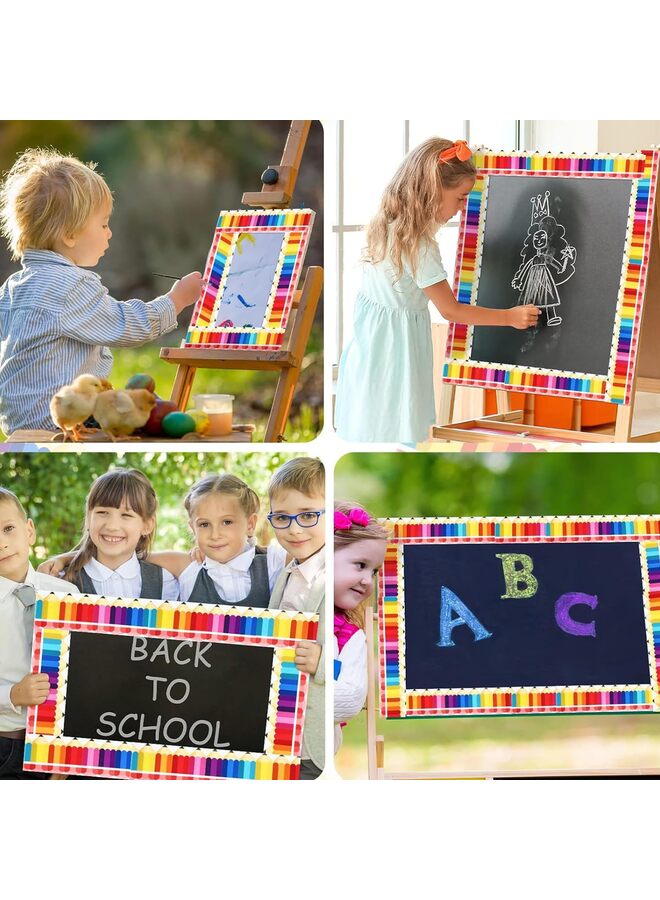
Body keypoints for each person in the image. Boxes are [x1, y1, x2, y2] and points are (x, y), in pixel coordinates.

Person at [335, 137, 541, 443]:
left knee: (373, 429)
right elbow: (451, 310)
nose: (463, 207)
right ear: (432, 190)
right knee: (399, 428)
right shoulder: (420, 247)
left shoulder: (388, 224)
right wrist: (509, 317)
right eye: (460, 197)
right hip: (396, 355)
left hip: (368, 350)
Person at [0, 148, 202, 435]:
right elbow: (127, 325)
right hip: (65, 419)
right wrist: (176, 300)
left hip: (17, 422)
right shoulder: (71, 285)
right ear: (69, 234)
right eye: (104, 224)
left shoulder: (13, 287)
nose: (109, 233)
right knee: (142, 410)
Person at [0, 487, 80, 779]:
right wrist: (12, 694)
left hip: (56, 746)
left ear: (29, 531)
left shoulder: (67, 594)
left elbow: (81, 674)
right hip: (5, 742)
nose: (1, 543)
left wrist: (66, 755)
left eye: (8, 529)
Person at [267, 457, 325, 779]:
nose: (294, 528)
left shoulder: (336, 575)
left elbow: (356, 649)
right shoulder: (285, 574)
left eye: (308, 515)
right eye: (281, 518)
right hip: (280, 736)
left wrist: (322, 661)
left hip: (313, 746)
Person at [154, 473, 286, 607]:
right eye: (204, 525)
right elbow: (142, 555)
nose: (215, 535)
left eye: (227, 522)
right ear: (193, 528)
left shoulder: (273, 561)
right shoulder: (190, 568)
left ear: (250, 524)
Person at [48, 469, 179, 600]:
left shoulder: (166, 584)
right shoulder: (59, 581)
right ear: (88, 518)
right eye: (102, 512)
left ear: (147, 525)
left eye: (126, 515)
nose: (112, 526)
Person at [333, 501, 388, 754]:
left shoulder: (350, 637)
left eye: (374, 571)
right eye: (361, 565)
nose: (368, 580)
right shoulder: (291, 598)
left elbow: (350, 699)